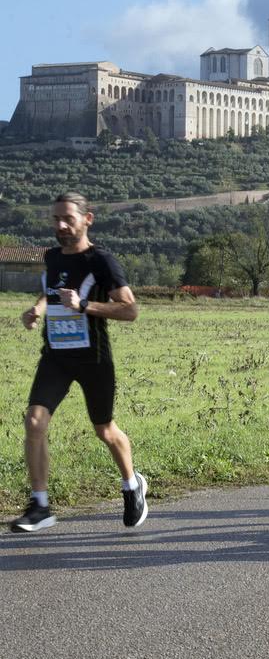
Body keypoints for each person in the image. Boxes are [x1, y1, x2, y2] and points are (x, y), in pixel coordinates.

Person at [10, 192, 148, 533]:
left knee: (104, 430)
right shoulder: (52, 256)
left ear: (87, 219)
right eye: (56, 219)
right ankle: (40, 505)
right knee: (34, 422)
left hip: (93, 359)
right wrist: (38, 310)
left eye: (67, 219)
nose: (60, 225)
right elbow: (52, 289)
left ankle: (133, 485)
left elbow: (130, 310)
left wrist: (85, 305)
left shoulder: (101, 260)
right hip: (55, 358)